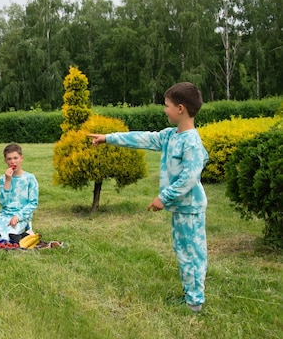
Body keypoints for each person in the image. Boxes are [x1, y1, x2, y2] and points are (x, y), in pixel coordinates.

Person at [88, 82, 209, 313]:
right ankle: (190, 296)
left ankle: (195, 302)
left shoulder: (191, 141)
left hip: (190, 208)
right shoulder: (170, 136)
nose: (165, 110)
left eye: (167, 106)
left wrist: (164, 197)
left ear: (181, 108)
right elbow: (142, 138)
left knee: (192, 254)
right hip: (181, 208)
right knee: (183, 251)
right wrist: (108, 138)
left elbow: (190, 177)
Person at [0, 143, 38, 244]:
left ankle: (25, 230)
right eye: (9, 159)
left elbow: (33, 203)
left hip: (20, 216)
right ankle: (6, 232)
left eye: (15, 158)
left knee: (6, 239)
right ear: (5, 161)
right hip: (4, 215)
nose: (13, 161)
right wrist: (8, 181)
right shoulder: (3, 179)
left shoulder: (30, 179)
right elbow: (3, 202)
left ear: (21, 158)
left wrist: (18, 216)